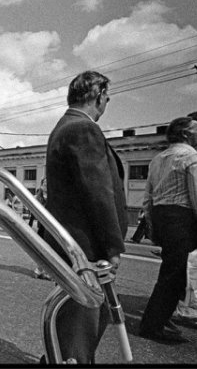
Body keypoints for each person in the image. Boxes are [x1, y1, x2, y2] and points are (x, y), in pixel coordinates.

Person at [43, 71, 128, 363]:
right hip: (86, 246)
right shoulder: (83, 129)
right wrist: (112, 246)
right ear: (98, 95)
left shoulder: (64, 126)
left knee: (82, 317)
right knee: (83, 322)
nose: (107, 103)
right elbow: (98, 193)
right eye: (107, 97)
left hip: (74, 242)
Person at [138, 116, 197, 343]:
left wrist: (153, 226)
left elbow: (148, 198)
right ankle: (151, 326)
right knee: (174, 276)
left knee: (172, 272)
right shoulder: (194, 158)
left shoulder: (158, 159)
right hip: (183, 219)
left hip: (163, 217)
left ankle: (159, 320)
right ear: (186, 134)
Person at [31, 177, 51, 280]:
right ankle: (39, 270)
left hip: (50, 227)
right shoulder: (38, 197)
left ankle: (45, 271)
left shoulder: (53, 196)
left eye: (47, 183)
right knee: (42, 249)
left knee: (50, 250)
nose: (45, 185)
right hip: (42, 226)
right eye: (44, 183)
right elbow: (32, 213)